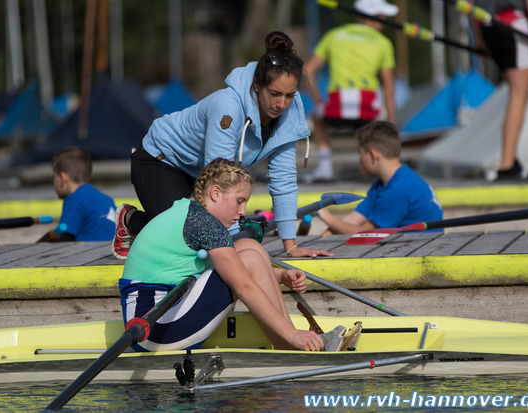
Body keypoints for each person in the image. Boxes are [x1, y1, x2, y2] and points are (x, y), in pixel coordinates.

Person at [112, 31, 332, 260]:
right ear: (257, 84)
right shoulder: (227, 106)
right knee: (187, 240)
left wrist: (290, 247)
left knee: (204, 240)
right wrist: (231, 241)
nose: (281, 104)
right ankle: (130, 219)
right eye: (275, 94)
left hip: (199, 171)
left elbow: (284, 180)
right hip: (160, 159)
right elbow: (218, 177)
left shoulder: (290, 113)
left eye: (289, 95)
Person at [119, 158, 346, 352]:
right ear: (216, 193)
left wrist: (279, 276)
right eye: (239, 201)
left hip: (170, 309)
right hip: (151, 327)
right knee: (249, 258)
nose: (242, 212)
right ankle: (291, 340)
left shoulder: (191, 212)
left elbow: (227, 269)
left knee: (250, 246)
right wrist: (293, 333)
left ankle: (287, 343)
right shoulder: (203, 222)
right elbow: (244, 286)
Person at [305, 0, 399, 182]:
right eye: (382, 16)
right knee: (371, 128)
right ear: (371, 19)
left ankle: (325, 168)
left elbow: (308, 70)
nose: (385, 20)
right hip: (367, 106)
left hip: (337, 103)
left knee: (318, 118)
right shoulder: (384, 43)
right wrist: (392, 124)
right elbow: (389, 87)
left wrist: (318, 101)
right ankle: (369, 171)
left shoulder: (334, 35)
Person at [470, 0, 528, 181]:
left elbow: (470, 3)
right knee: (519, 94)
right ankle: (506, 164)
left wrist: (479, 39)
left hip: (486, 26)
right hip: (512, 24)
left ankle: (511, 160)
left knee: (515, 93)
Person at [316, 121, 443, 235]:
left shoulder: (398, 190)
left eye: (361, 154)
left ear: (373, 154)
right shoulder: (381, 185)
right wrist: (325, 235)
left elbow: (366, 234)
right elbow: (354, 219)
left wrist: (327, 217)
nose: (360, 160)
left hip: (422, 250)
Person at [49, 146, 116, 241]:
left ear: (63, 178)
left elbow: (66, 238)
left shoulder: (74, 200)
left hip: (90, 253)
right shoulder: (107, 198)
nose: (54, 182)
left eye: (54, 177)